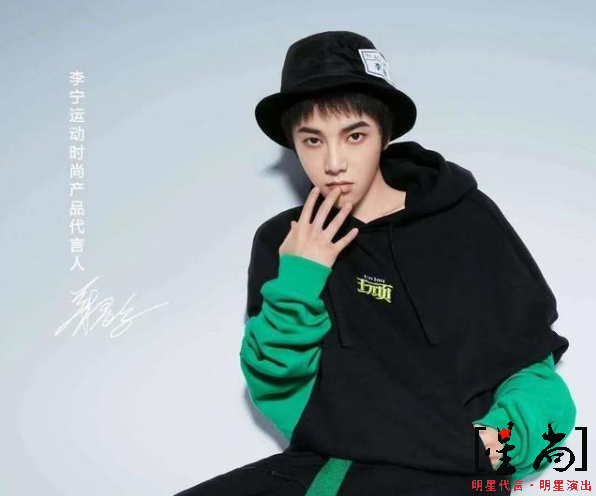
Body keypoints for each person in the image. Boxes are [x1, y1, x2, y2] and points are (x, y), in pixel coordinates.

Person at [172, 30, 576, 496]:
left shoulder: (466, 220)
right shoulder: (284, 241)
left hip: (457, 477)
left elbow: (531, 370)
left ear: (384, 134)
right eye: (312, 140)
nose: (334, 162)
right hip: (326, 469)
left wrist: (488, 450)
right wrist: (301, 278)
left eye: (354, 136)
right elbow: (280, 390)